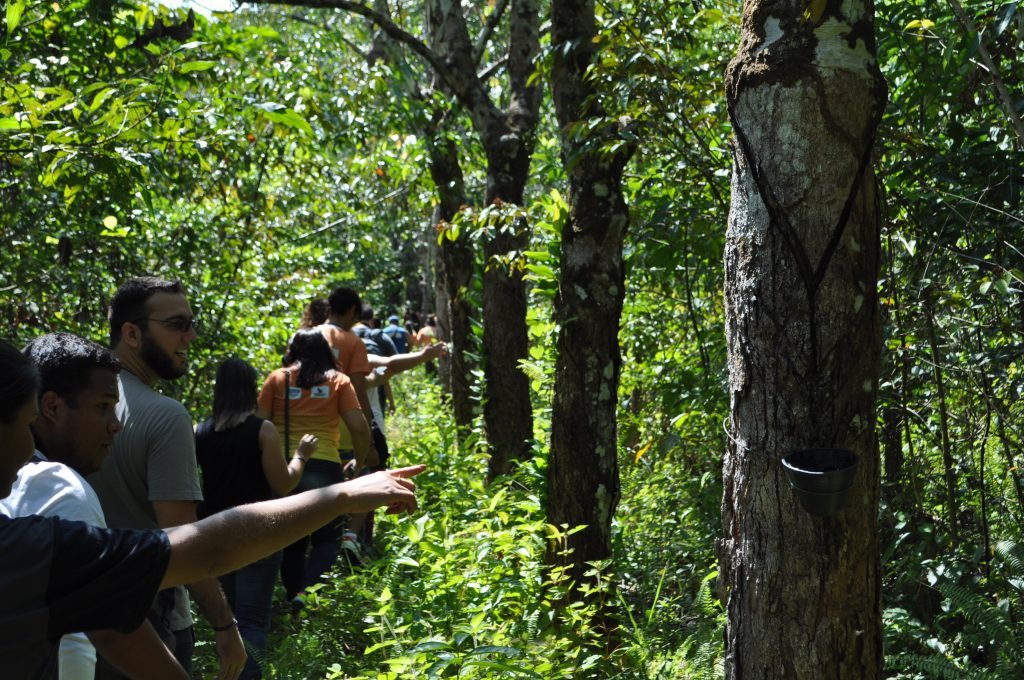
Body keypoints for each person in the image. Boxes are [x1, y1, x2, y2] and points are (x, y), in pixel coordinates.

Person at [0, 337, 423, 679]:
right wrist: (340, 493)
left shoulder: (202, 430)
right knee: (254, 617)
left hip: (210, 564)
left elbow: (109, 618)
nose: (116, 423)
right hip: (231, 554)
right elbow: (205, 548)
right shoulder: (53, 497)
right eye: (24, 424)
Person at [87, 276, 246, 679]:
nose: (190, 336)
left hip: (80, 618)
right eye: (177, 325)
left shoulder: (72, 406)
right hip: (151, 621)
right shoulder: (165, 416)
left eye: (192, 323)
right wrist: (225, 625)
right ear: (132, 333)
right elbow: (183, 542)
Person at [2, 333, 186, 680]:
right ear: (52, 407)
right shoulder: (61, 487)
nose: (115, 425)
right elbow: (96, 634)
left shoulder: (14, 485)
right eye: (103, 406)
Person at [196, 358, 318, 679]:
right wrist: (301, 457)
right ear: (251, 390)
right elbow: (283, 483)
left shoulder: (201, 431)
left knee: (228, 619)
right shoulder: (262, 430)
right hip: (258, 534)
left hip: (216, 534)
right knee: (251, 620)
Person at [256, 329, 371, 603]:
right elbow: (359, 427)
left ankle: (293, 593)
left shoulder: (277, 379)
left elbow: (257, 423)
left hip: (285, 466)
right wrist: (360, 461)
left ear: (293, 351)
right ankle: (307, 593)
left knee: (291, 538)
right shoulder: (339, 382)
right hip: (326, 465)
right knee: (327, 539)